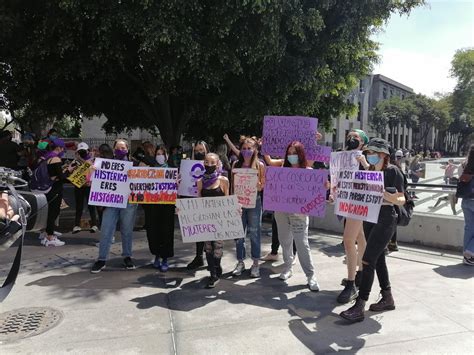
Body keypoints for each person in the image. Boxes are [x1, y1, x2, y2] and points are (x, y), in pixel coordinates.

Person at [340, 138, 406, 323]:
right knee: (379, 259)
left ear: (384, 155)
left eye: (375, 153)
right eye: (369, 153)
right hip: (369, 218)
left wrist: (384, 194)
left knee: (368, 260)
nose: (371, 156)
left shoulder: (393, 171)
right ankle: (387, 297)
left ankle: (360, 304)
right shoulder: (367, 171)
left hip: (385, 219)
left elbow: (401, 199)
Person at [273, 141, 320, 292]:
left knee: (302, 244)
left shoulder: (309, 171)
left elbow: (316, 193)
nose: (292, 156)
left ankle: (310, 276)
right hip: (281, 211)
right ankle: (288, 267)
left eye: (295, 153)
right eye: (289, 153)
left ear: (301, 154)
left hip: (300, 213)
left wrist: (323, 187)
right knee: (285, 241)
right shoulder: (281, 170)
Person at [91, 139, 138, 273]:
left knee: (127, 230)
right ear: (113, 149)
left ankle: (127, 256)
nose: (120, 150)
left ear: (127, 150)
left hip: (129, 202)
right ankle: (101, 259)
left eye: (123, 148)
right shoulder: (106, 164)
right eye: (118, 148)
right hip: (111, 202)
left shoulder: (134, 164)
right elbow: (96, 179)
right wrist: (94, 171)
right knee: (106, 229)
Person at [336, 129, 369, 304]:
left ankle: (351, 285)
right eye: (349, 136)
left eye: (355, 137)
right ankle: (360, 274)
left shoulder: (366, 156)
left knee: (348, 240)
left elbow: (376, 177)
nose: (351, 139)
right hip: (347, 200)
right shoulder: (343, 158)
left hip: (359, 201)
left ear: (363, 142)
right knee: (359, 236)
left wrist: (364, 163)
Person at [231, 137, 265, 278]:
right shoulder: (235, 164)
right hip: (238, 202)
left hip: (254, 202)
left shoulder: (260, 165)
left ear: (255, 149)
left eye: (249, 148)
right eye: (244, 148)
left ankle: (255, 263)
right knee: (239, 234)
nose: (246, 151)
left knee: (254, 233)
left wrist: (259, 186)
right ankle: (240, 261)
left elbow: (263, 185)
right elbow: (233, 186)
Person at [141, 144, 176, 272]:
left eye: (162, 154)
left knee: (166, 231)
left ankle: (165, 257)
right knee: (153, 230)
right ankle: (156, 254)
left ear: (166, 156)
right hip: (152, 206)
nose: (160, 156)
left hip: (167, 207)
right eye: (158, 154)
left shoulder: (172, 170)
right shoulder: (149, 170)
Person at [197, 152, 230, 288]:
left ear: (217, 164)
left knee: (218, 246)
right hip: (205, 218)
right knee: (208, 247)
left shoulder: (223, 180)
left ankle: (217, 265)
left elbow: (227, 199)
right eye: (206, 162)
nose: (209, 165)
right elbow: (198, 201)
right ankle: (213, 274)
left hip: (219, 218)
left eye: (212, 163)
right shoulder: (200, 182)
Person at [31, 139, 70, 247]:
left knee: (48, 212)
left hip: (45, 188)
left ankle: (45, 232)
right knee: (53, 212)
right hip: (54, 189)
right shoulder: (56, 159)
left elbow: (53, 174)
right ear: (59, 148)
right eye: (63, 148)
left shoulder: (45, 157)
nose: (63, 150)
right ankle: (50, 237)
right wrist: (68, 171)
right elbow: (61, 177)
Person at [186, 140, 212, 270]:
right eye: (196, 151)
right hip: (196, 200)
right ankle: (199, 257)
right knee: (198, 229)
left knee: (210, 230)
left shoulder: (213, 164)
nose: (199, 153)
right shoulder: (189, 166)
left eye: (201, 150)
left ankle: (211, 258)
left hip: (210, 201)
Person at [72, 142, 99, 234]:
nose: (83, 153)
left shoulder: (93, 160)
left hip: (89, 186)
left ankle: (94, 224)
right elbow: (71, 171)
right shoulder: (75, 161)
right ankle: (76, 225)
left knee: (91, 206)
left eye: (84, 151)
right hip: (79, 186)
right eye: (80, 151)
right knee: (79, 206)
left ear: (88, 151)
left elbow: (92, 167)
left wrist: (80, 159)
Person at [457, 145, 474, 265]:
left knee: (469, 228)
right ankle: (470, 252)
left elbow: (459, 177)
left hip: (466, 200)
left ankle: (466, 257)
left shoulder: (463, 165)